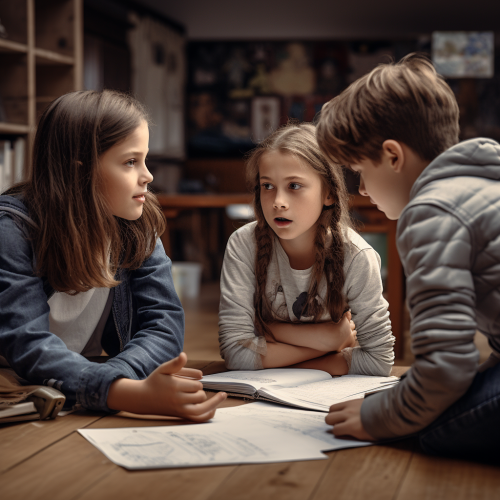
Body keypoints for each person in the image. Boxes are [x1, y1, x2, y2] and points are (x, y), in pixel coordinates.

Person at [0, 90, 226, 421]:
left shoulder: (138, 222)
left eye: (144, 159)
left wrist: (119, 379)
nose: (148, 176)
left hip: (83, 383)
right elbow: (27, 344)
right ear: (80, 171)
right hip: (15, 388)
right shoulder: (13, 230)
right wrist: (122, 392)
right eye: (131, 162)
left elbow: (164, 323)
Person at [317, 53, 500, 459]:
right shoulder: (481, 186)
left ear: (393, 157)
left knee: (435, 430)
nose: (362, 189)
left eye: (359, 170)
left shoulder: (432, 211)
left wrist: (378, 418)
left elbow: (447, 368)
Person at [218, 123, 395, 377]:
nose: (278, 202)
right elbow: (235, 353)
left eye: (294, 186)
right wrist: (330, 343)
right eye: (267, 186)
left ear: (329, 194)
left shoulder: (356, 256)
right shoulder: (243, 244)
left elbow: (379, 361)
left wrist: (274, 332)